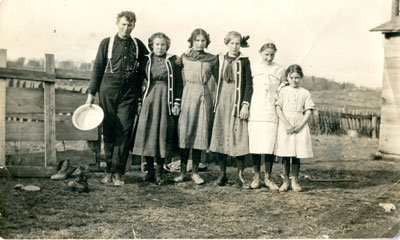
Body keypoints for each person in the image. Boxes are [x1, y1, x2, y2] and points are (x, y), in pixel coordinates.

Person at [86, 11, 149, 186]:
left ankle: (118, 173)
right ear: (117, 24)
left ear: (134, 25)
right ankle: (108, 171)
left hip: (129, 92)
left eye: (129, 25)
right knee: (109, 129)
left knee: (125, 129)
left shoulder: (138, 45)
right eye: (123, 24)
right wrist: (91, 95)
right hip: (108, 90)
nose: (126, 28)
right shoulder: (107, 43)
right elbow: (97, 68)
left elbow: (149, 66)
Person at [132, 32, 183, 185]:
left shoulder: (173, 61)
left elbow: (179, 83)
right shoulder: (146, 60)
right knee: (149, 134)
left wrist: (176, 103)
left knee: (162, 134)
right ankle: (150, 172)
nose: (160, 47)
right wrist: (140, 102)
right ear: (151, 45)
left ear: (167, 46)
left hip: (165, 100)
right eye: (157, 44)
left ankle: (160, 172)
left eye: (163, 45)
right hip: (150, 100)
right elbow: (139, 81)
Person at [174, 28, 218, 185]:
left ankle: (195, 172)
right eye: (197, 40)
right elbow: (173, 73)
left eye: (203, 40)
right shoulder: (183, 58)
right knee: (185, 132)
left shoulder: (212, 59)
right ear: (191, 42)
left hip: (203, 96)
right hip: (187, 95)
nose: (200, 43)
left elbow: (220, 80)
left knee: (200, 133)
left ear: (207, 42)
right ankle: (183, 172)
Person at [209, 31, 253, 188]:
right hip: (222, 102)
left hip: (237, 102)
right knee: (221, 135)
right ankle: (222, 174)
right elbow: (213, 73)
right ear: (226, 43)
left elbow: (248, 84)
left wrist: (245, 104)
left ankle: (240, 175)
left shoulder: (244, 61)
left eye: (237, 44)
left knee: (239, 137)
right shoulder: (219, 59)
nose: (234, 47)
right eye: (232, 43)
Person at [248, 42, 285, 190]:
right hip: (256, 110)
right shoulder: (253, 67)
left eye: (272, 55)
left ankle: (268, 177)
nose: (269, 58)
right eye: (266, 55)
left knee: (269, 145)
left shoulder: (279, 69)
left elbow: (282, 91)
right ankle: (256, 176)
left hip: (271, 112)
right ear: (260, 53)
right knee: (256, 144)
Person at [274, 64, 314, 192]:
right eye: (291, 77)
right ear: (287, 77)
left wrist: (300, 125)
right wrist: (286, 124)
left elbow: (308, 110)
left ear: (301, 77)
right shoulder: (283, 91)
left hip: (299, 124)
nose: (294, 80)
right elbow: (278, 108)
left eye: (297, 78)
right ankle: (285, 181)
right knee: (286, 153)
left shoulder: (305, 93)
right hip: (286, 124)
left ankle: (295, 181)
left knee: (296, 154)